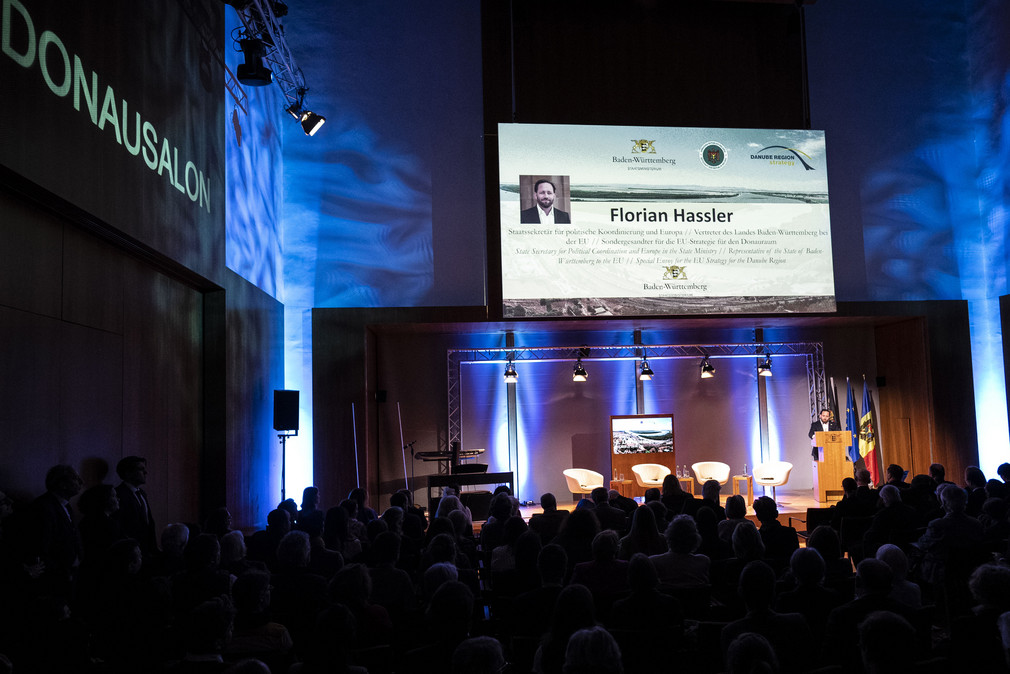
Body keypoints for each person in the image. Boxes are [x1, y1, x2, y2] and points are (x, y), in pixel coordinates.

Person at [114, 456, 158, 556]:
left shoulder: (142, 493)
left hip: (147, 550)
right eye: (141, 469)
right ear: (128, 473)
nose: (146, 473)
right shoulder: (119, 494)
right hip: (131, 552)